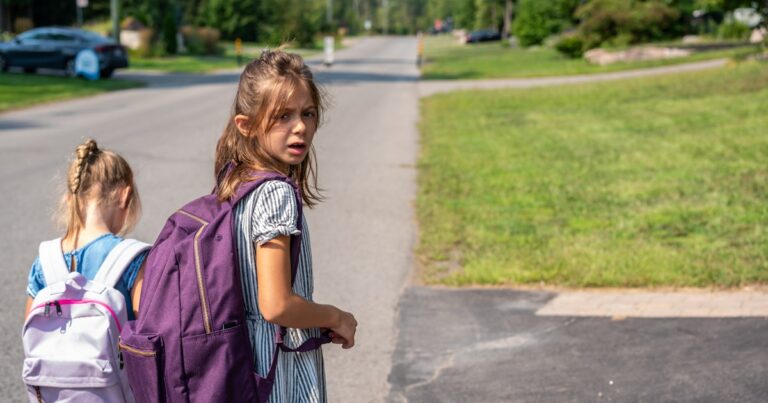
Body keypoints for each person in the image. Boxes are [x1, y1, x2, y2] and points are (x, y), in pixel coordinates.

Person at [214, 50, 357, 402]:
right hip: (276, 370)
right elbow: (276, 305)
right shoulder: (275, 194)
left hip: (243, 362)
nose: (300, 127)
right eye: (283, 116)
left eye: (308, 114)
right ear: (246, 125)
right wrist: (335, 316)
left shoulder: (236, 181)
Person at [24, 138, 147, 319]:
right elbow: (146, 334)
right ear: (124, 195)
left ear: (69, 198)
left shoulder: (45, 260)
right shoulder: (132, 259)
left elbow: (31, 336)